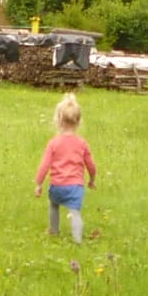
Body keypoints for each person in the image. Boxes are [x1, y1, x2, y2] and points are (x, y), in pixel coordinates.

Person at [34, 93, 97, 243]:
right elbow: (91, 165)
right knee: (75, 212)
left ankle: (54, 231)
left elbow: (44, 165)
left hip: (57, 186)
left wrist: (39, 184)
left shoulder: (53, 143)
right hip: (75, 187)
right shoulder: (82, 143)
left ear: (59, 120)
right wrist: (92, 179)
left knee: (53, 205)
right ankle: (77, 240)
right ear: (78, 121)